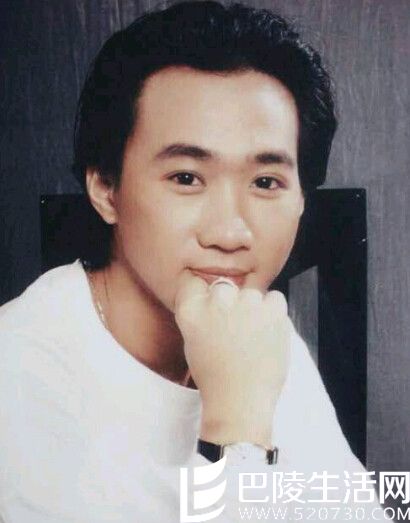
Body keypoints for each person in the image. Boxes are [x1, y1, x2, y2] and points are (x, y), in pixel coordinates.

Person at [0, 1, 388, 521]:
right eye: (186, 178)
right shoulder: (18, 381)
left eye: (265, 182)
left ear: (301, 200)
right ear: (106, 188)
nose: (229, 233)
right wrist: (236, 433)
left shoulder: (252, 331)